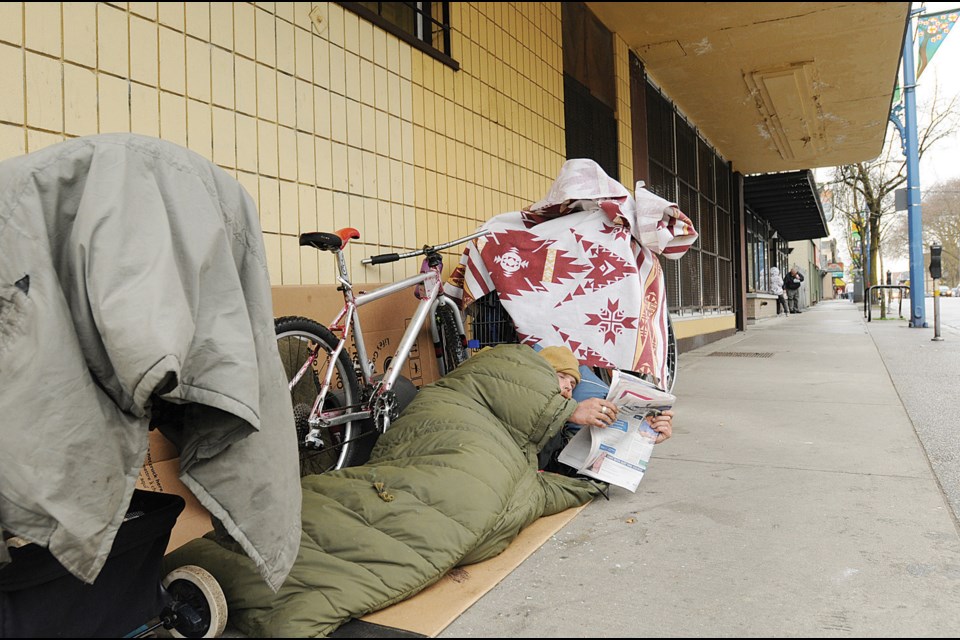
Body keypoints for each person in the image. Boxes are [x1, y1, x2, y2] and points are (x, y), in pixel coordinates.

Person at [537, 345, 674, 472]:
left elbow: (564, 467)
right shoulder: (521, 402)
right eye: (561, 377)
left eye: (573, 384)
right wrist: (568, 412)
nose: (568, 386)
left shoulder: (561, 430)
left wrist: (639, 438)